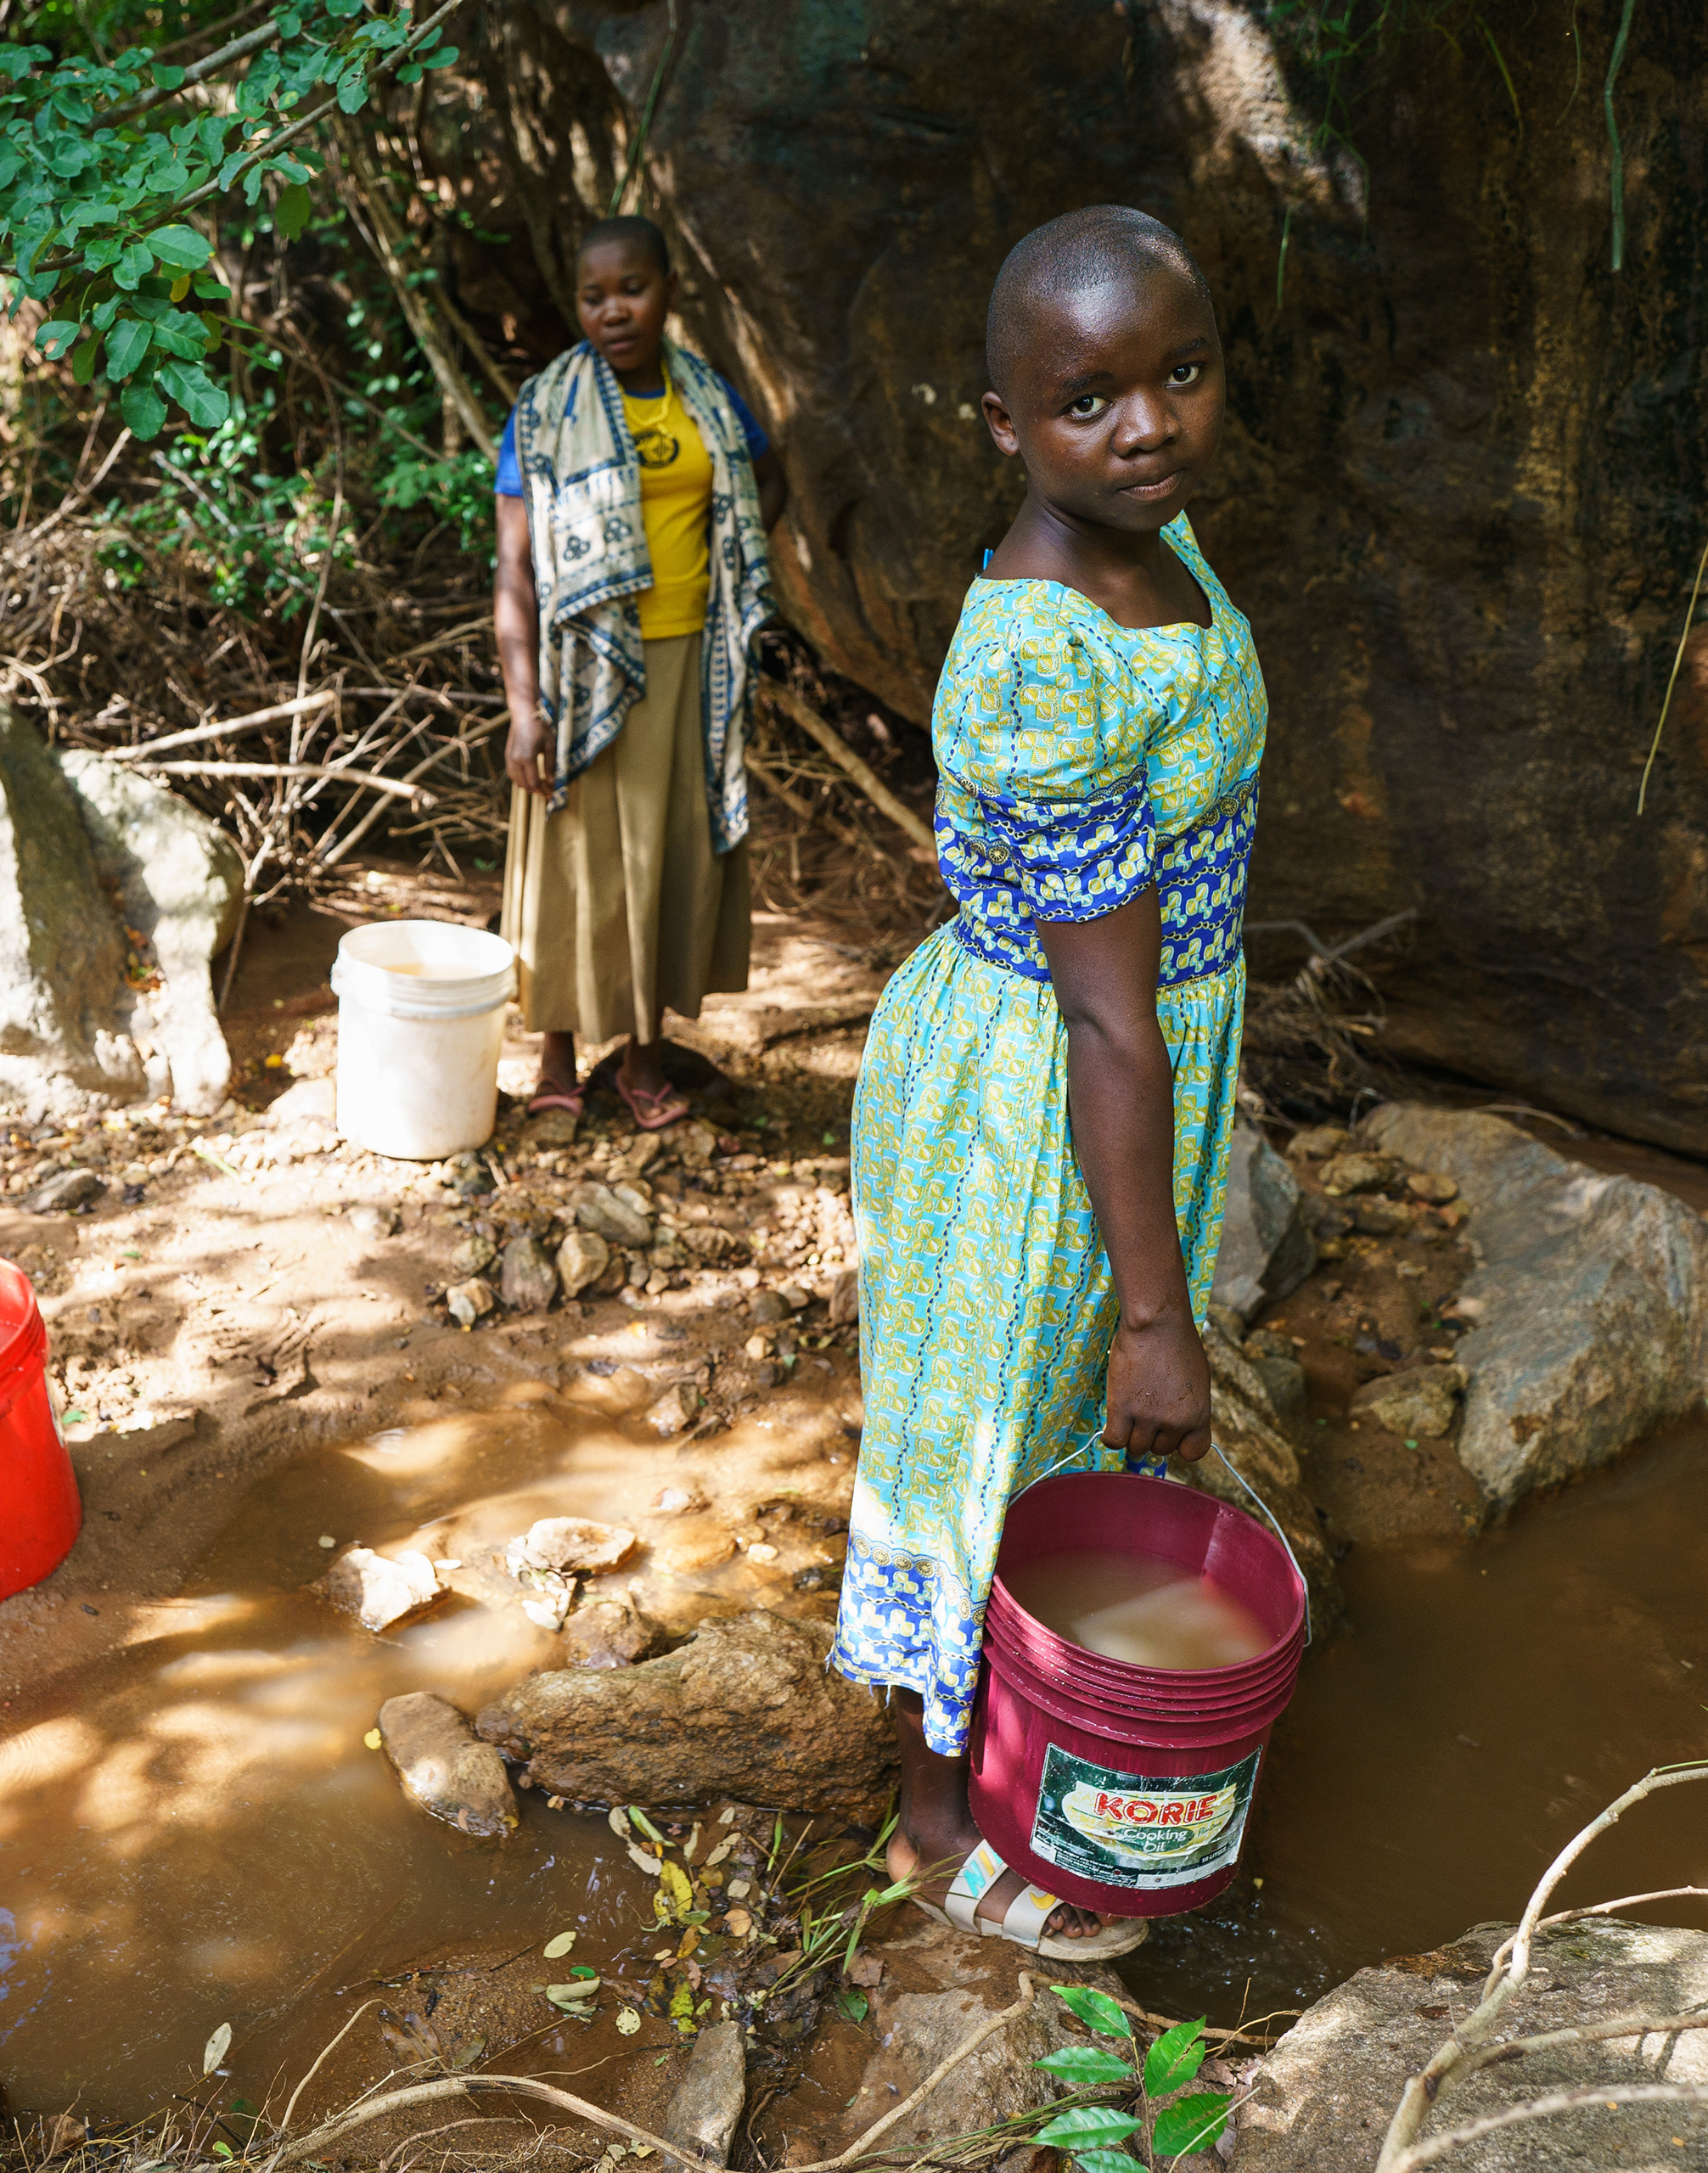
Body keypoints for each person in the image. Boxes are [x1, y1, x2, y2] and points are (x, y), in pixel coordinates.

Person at [831, 207, 1265, 1959]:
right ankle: (935, 1817)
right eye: (1088, 399)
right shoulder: (1039, 658)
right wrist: (1162, 1310)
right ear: (1004, 424)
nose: (1148, 424)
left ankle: (1043, 1747)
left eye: (1179, 373)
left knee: (1062, 1420)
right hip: (1039, 1082)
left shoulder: (1152, 543)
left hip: (1128, 1049)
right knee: (995, 1417)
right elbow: (1103, 1018)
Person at [495, 213, 788, 1131]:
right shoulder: (545, 410)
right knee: (571, 857)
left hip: (690, 660)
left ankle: (643, 1058)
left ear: (668, 292)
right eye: (594, 296)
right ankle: (556, 1055)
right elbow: (513, 572)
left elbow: (765, 476)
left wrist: (732, 554)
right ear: (577, 304)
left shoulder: (704, 398)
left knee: (664, 858)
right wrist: (521, 709)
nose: (614, 310)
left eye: (633, 289)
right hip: (579, 669)